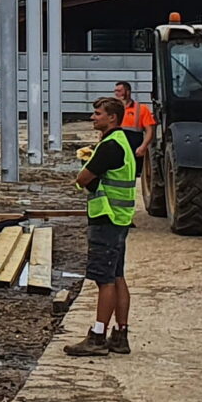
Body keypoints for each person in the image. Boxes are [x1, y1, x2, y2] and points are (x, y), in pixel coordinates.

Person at [64, 94, 139, 357]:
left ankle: (97, 336)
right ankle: (120, 335)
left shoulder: (109, 146)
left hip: (106, 218)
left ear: (112, 118)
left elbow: (84, 178)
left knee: (104, 280)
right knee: (117, 276)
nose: (92, 118)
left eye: (97, 114)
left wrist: (86, 165)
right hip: (120, 218)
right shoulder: (122, 142)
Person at [114, 80, 156, 160]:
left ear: (128, 92)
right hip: (117, 147)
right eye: (115, 91)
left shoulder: (141, 109)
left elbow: (149, 131)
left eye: (119, 91)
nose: (116, 93)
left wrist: (143, 147)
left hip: (134, 148)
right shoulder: (112, 109)